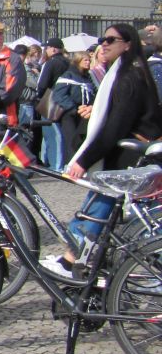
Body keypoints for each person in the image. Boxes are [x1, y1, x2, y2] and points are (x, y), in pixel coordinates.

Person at [41, 24, 162, 280]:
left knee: (98, 203)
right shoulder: (127, 72)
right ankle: (92, 263)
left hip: (130, 156)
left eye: (111, 39)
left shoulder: (129, 76)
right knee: (100, 207)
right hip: (130, 154)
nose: (103, 44)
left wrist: (84, 160)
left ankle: (72, 259)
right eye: (102, 39)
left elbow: (115, 127)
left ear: (127, 44)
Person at [52, 50, 96, 164]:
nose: (88, 62)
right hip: (70, 114)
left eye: (89, 60)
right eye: (85, 60)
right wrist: (73, 108)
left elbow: (93, 93)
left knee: (82, 141)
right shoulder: (68, 75)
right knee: (71, 141)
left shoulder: (88, 77)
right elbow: (59, 95)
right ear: (78, 61)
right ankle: (71, 165)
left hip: (84, 114)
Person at [35, 38, 68, 170]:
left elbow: (42, 84)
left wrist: (39, 95)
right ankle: (53, 161)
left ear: (53, 49)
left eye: (47, 48)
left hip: (51, 98)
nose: (46, 51)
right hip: (65, 98)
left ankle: (56, 165)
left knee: (52, 132)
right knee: (59, 132)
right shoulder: (68, 62)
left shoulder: (51, 63)